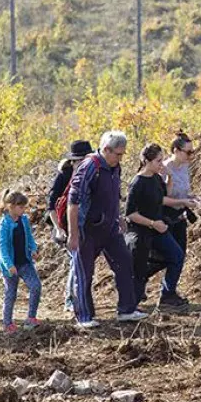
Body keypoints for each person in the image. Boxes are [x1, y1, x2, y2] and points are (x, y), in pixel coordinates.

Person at [66, 131, 148, 328]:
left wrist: (118, 217)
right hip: (87, 229)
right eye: (118, 154)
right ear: (105, 150)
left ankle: (126, 310)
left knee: (125, 262)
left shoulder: (114, 167)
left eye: (122, 154)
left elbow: (112, 196)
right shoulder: (89, 167)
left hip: (110, 228)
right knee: (84, 272)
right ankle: (84, 316)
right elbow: (73, 202)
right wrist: (73, 234)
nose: (120, 158)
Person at [125, 143, 191, 310]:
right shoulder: (137, 183)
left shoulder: (155, 177)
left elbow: (163, 196)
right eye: (158, 161)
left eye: (162, 160)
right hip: (143, 231)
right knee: (141, 265)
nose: (161, 164)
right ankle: (132, 300)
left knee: (176, 255)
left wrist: (169, 178)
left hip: (159, 228)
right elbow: (130, 214)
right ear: (147, 161)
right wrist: (153, 223)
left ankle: (168, 294)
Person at [47, 140, 93, 312]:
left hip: (83, 226)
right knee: (76, 261)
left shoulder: (91, 174)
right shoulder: (65, 176)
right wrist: (59, 229)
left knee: (79, 262)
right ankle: (71, 300)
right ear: (73, 161)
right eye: (82, 159)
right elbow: (51, 205)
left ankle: (75, 297)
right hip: (64, 226)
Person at [0, 190, 43, 333]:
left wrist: (33, 249)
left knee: (36, 286)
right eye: (20, 207)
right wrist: (9, 265)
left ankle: (31, 318)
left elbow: (29, 237)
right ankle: (7, 323)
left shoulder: (24, 220)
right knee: (11, 294)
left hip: (25, 262)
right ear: (10, 206)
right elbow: (1, 248)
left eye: (24, 207)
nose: (23, 209)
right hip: (10, 265)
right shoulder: (3, 225)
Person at [161, 130, 200, 258]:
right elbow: (160, 199)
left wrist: (191, 197)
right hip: (165, 219)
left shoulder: (184, 167)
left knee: (180, 255)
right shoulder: (163, 169)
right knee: (168, 258)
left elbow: (181, 192)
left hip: (180, 218)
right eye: (188, 152)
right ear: (176, 151)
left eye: (192, 152)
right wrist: (183, 201)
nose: (191, 156)